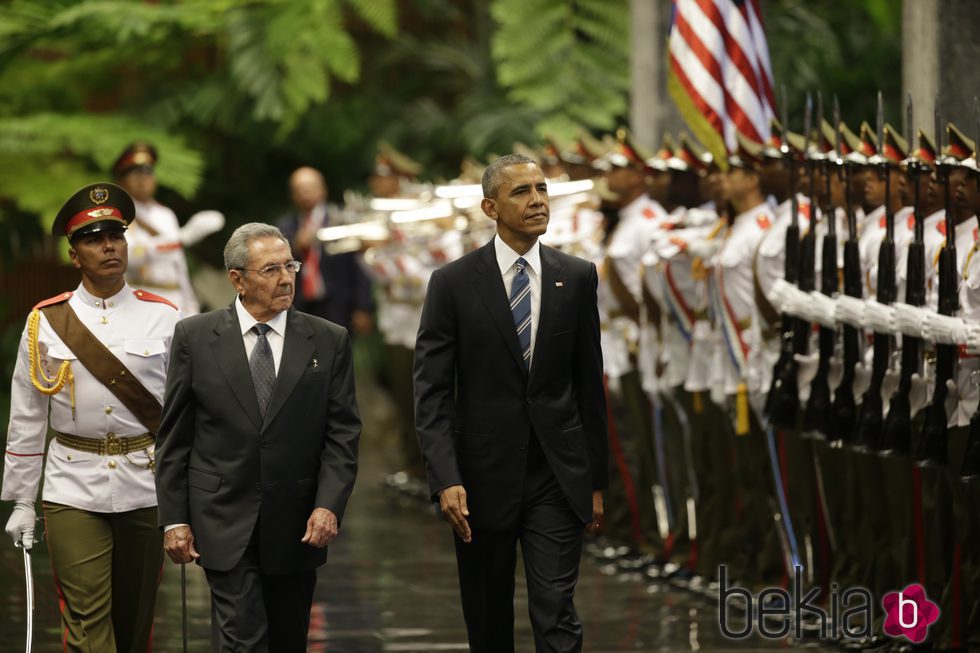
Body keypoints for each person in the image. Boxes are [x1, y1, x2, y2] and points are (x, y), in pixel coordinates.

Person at [414, 154, 608, 653]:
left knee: (557, 613)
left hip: (555, 477)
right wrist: (445, 478)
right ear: (490, 207)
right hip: (479, 480)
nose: (538, 200)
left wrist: (595, 482)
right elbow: (432, 391)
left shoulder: (577, 276)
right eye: (521, 192)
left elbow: (589, 386)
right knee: (488, 619)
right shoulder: (453, 283)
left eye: (542, 189)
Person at [154, 223, 361, 651]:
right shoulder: (195, 336)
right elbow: (175, 435)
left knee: (288, 638)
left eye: (290, 265)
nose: (286, 278)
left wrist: (329, 505)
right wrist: (175, 519)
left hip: (298, 521)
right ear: (237, 279)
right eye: (270, 269)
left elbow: (342, 434)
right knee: (241, 639)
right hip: (222, 517)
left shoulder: (328, 339)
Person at [2, 182, 181, 651]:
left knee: (136, 620)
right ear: (74, 254)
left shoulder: (165, 318)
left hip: (146, 482)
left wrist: (190, 494)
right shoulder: (45, 322)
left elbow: (186, 415)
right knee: (87, 622)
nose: (109, 246)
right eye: (94, 238)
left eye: (116, 236)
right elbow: (27, 416)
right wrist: (21, 499)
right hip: (72, 486)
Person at [112, 141, 224, 315]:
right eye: (134, 174)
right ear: (122, 180)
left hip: (174, 300)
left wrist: (190, 306)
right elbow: (127, 257)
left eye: (147, 173)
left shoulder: (166, 215)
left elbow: (178, 264)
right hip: (140, 301)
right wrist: (178, 240)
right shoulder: (118, 214)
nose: (142, 179)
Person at [277, 166, 374, 333]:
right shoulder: (285, 227)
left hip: (339, 306)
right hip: (300, 306)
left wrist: (363, 307)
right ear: (292, 195)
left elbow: (361, 265)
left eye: (309, 188)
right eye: (299, 190)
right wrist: (294, 248)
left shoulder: (342, 220)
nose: (305, 194)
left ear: (323, 189)